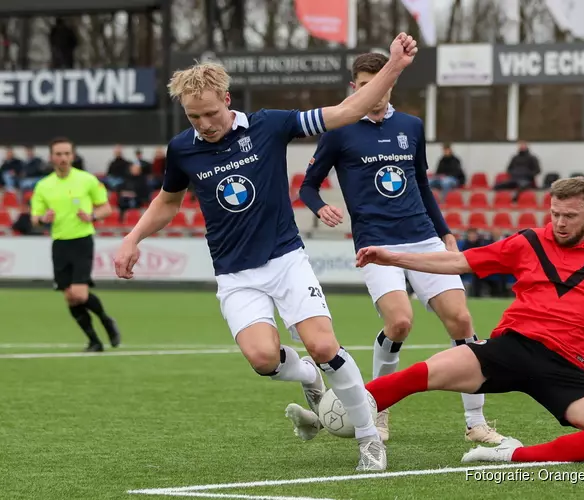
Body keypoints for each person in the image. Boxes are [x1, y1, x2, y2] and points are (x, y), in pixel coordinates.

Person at [113, 33, 420, 472]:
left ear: (228, 98)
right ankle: (311, 380)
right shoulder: (183, 148)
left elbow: (347, 110)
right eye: (193, 116)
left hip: (285, 260)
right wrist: (132, 238)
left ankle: (370, 439)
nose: (204, 123)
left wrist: (393, 67)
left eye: (211, 113)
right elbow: (167, 201)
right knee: (262, 359)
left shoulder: (270, 125)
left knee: (323, 345)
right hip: (235, 274)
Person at [287, 177, 584, 464]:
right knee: (417, 376)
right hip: (509, 348)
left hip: (565, 368)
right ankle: (324, 418)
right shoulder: (527, 241)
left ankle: (510, 456)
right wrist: (392, 255)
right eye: (554, 212)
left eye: (569, 216)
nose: (558, 222)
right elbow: (457, 260)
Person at [296, 52, 504, 445]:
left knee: (462, 322)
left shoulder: (411, 125)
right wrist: (320, 206)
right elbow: (308, 184)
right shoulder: (339, 128)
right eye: (364, 83)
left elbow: (422, 185)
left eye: (383, 82)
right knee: (400, 323)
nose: (374, 90)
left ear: (391, 84)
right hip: (376, 244)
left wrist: (444, 233)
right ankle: (380, 407)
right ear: (354, 87)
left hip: (423, 237)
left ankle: (475, 423)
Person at [30, 138, 121, 352]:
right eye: (58, 154)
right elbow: (35, 218)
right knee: (70, 297)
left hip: (82, 241)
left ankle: (106, 320)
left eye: (66, 154)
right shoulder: (43, 186)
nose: (63, 158)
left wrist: (91, 216)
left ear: (73, 156)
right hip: (59, 243)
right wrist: (44, 219)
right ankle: (94, 341)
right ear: (51, 157)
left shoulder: (87, 180)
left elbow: (106, 209)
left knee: (79, 293)